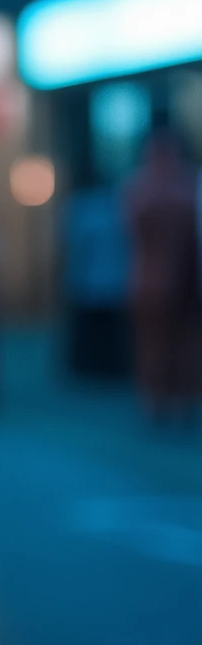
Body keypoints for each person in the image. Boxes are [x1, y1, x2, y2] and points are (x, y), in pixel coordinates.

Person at [122, 124, 202, 423]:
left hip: (169, 280)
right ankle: (161, 398)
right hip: (157, 281)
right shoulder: (177, 188)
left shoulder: (142, 188)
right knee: (158, 344)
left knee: (181, 343)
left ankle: (173, 398)